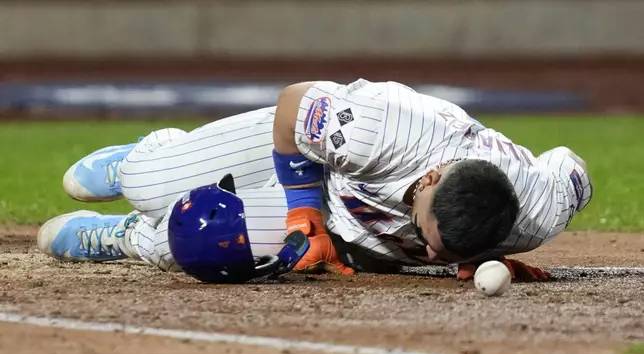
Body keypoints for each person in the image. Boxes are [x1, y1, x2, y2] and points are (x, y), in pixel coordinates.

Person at [37, 79, 592, 281]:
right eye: (425, 235)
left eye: (437, 251)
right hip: (308, 158)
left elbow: (573, 167)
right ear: (431, 178)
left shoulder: (539, 210)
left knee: (186, 241)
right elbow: (293, 104)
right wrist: (304, 212)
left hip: (351, 223)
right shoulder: (386, 133)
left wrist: (478, 254)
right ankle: (146, 158)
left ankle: (124, 236)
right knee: (154, 184)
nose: (425, 253)